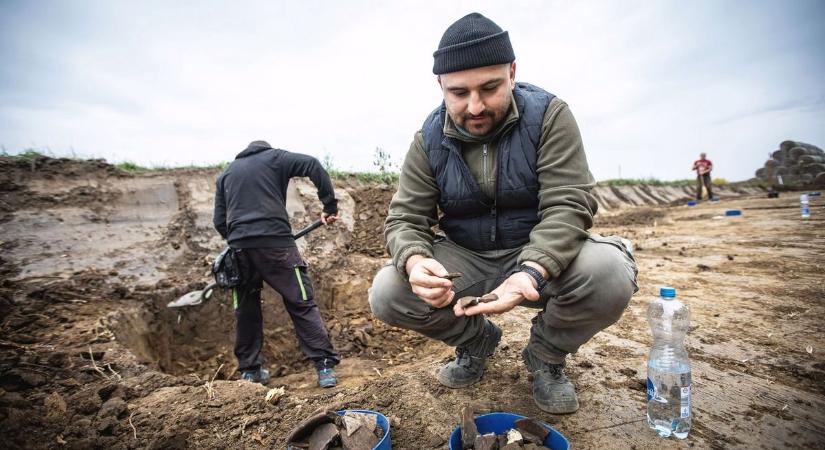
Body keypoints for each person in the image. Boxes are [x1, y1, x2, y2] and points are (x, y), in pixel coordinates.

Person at [368, 13, 638, 414]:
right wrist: (416, 259)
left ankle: (546, 356)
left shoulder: (549, 116)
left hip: (538, 253)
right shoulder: (428, 139)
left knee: (609, 274)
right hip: (467, 258)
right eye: (458, 93)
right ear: (440, 86)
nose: (475, 106)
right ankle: (476, 341)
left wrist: (531, 271)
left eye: (490, 87)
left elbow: (569, 203)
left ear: (512, 73)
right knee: (389, 291)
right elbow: (405, 218)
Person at [213, 140, 341, 388]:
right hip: (277, 246)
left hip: (240, 249)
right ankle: (324, 366)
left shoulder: (227, 173)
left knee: (246, 309)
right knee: (300, 302)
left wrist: (239, 238)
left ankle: (250, 371)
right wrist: (329, 205)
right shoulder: (276, 158)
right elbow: (313, 164)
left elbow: (219, 219)